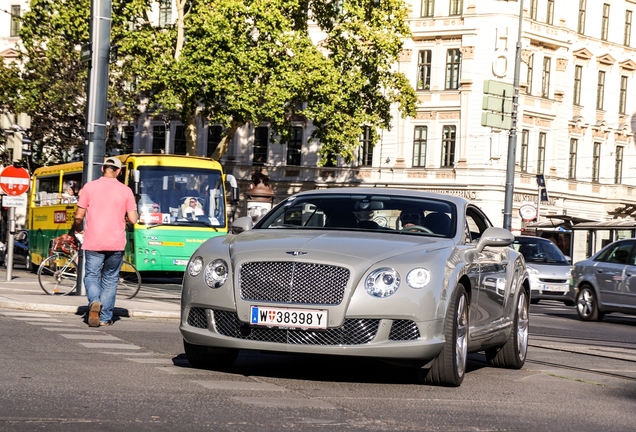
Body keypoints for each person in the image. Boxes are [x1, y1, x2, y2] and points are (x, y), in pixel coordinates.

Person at [72, 156, 138, 327]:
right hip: (116, 242)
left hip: (94, 241)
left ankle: (94, 301)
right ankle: (105, 317)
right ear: (119, 171)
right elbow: (133, 219)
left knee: (92, 275)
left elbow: (79, 216)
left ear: (102, 169)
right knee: (110, 278)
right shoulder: (126, 191)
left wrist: (77, 228)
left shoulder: (89, 187)